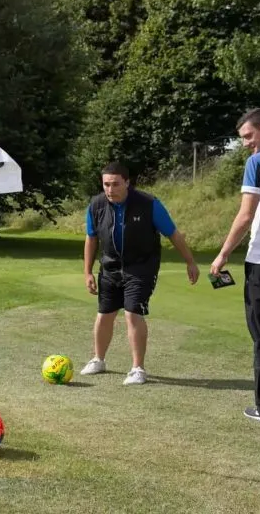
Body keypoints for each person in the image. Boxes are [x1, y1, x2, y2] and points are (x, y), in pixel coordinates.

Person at [81, 161, 200, 384]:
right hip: (109, 267)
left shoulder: (148, 203)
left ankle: (138, 369)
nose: (110, 189)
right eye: (106, 184)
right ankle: (98, 359)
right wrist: (87, 271)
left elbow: (173, 233)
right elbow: (91, 237)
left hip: (141, 267)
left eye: (115, 184)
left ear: (127, 182)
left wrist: (190, 262)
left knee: (132, 312)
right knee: (104, 314)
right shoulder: (96, 205)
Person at [211, 108, 260, 423]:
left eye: (248, 136)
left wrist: (222, 254)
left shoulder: (258, 163)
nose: (245, 144)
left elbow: (245, 215)